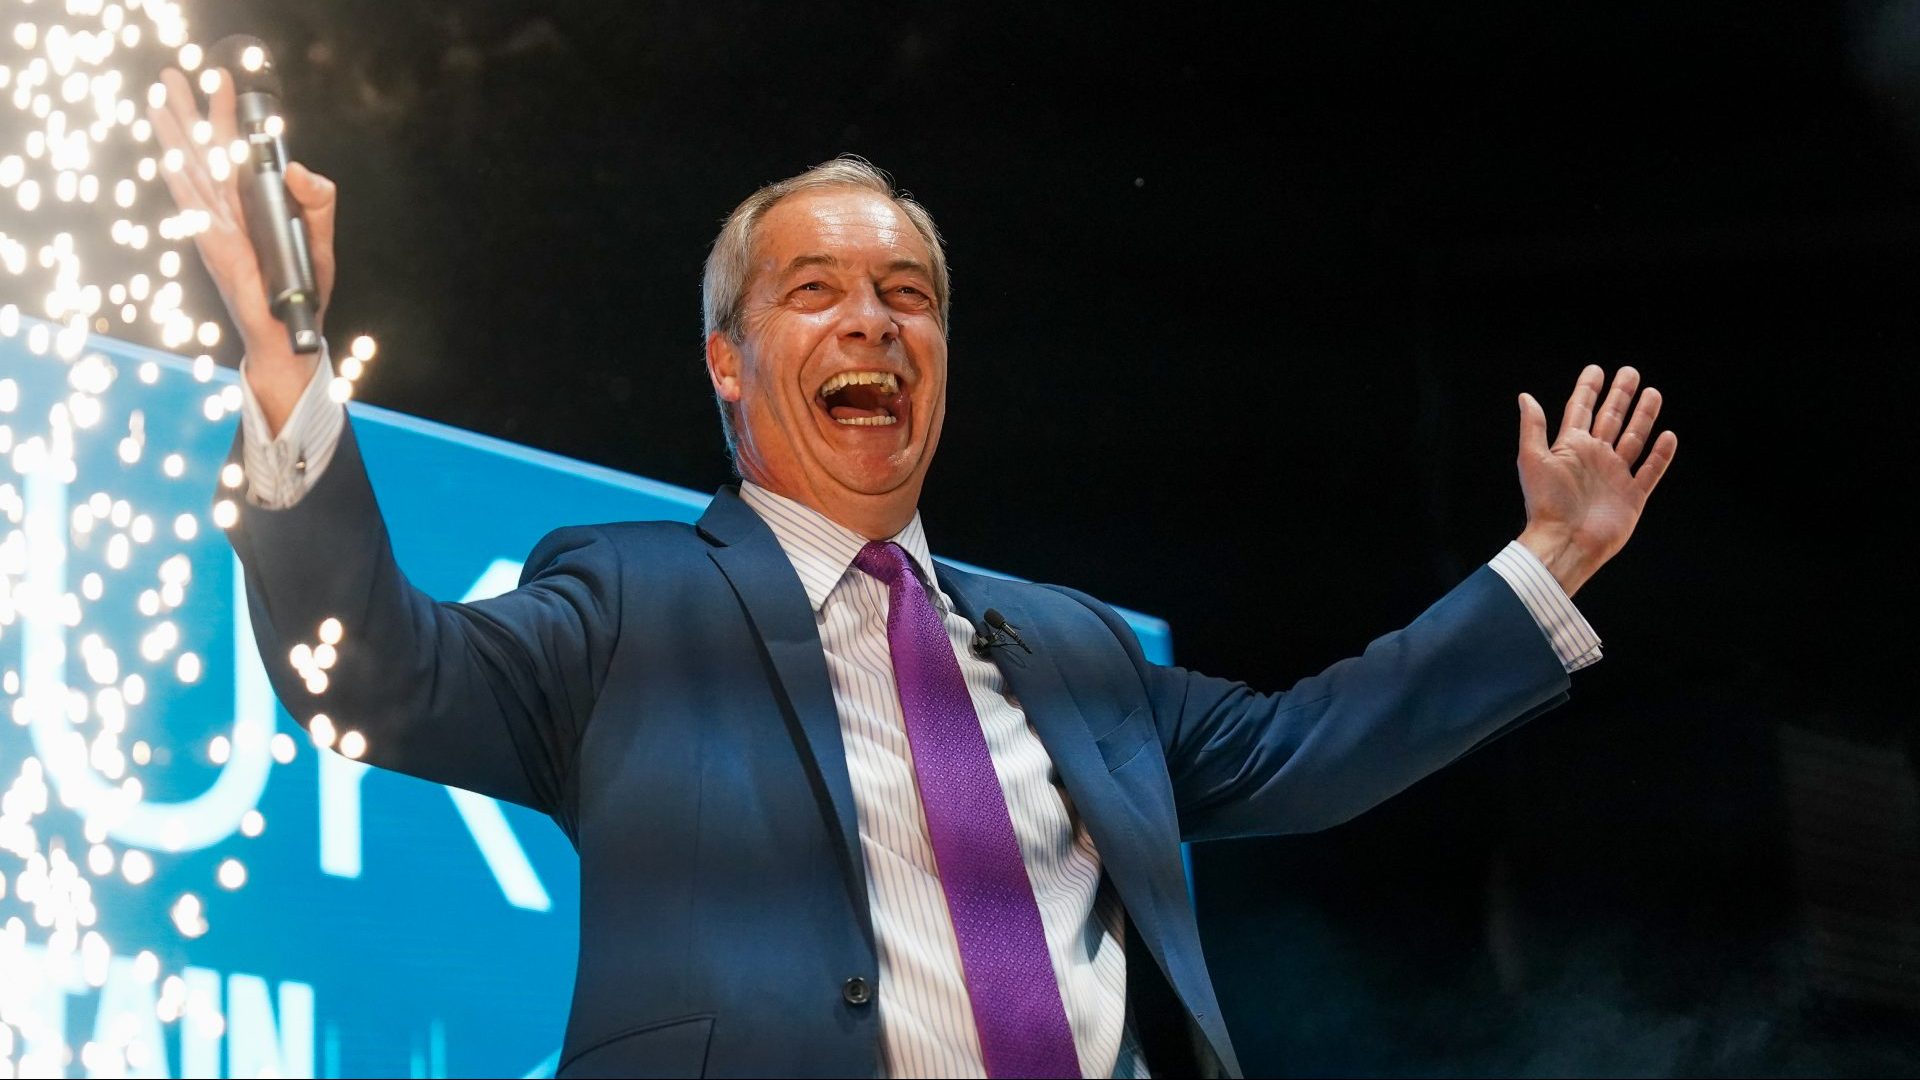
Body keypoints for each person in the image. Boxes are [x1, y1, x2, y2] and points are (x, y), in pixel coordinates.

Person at [151, 64, 1676, 1080]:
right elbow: (374, 675)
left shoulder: (1077, 652)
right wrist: (284, 351)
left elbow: (1313, 746)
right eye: (815, 292)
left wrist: (1550, 560)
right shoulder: (625, 608)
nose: (873, 324)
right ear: (729, 369)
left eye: (908, 296)